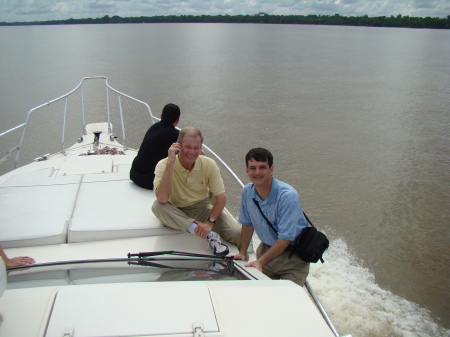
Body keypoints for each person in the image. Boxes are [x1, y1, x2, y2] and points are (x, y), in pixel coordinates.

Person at [152, 126, 241, 256]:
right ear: (178, 146)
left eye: (196, 148)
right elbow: (163, 199)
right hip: (175, 210)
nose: (191, 152)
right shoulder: (163, 165)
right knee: (158, 206)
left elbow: (221, 197)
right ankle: (207, 235)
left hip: (202, 208)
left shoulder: (209, 164)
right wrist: (170, 163)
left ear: (201, 149)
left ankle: (247, 262)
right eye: (187, 147)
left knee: (238, 233)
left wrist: (210, 222)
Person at [233, 147, 310, 286]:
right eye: (253, 168)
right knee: (260, 296)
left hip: (293, 256)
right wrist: (243, 252)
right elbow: (247, 224)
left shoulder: (287, 196)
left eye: (262, 167)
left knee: (288, 301)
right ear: (247, 170)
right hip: (266, 249)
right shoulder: (246, 192)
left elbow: (285, 238)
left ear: (271, 169)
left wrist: (260, 262)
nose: (257, 172)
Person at [130, 103, 181, 190]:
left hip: (135, 174)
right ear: (178, 120)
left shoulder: (153, 128)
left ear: (161, 116)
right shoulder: (175, 135)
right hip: (150, 181)